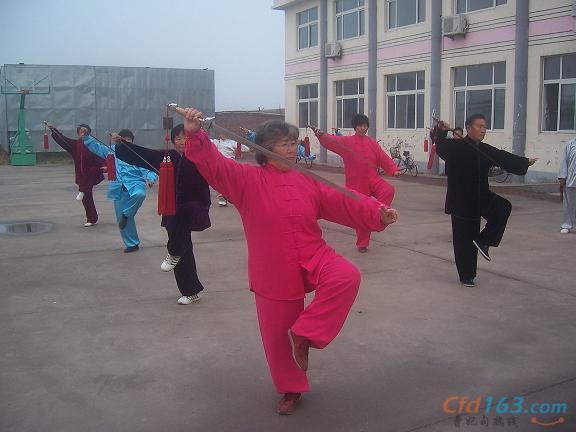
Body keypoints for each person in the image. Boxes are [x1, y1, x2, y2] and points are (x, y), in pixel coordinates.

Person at [181, 107, 398, 416]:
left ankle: (305, 333)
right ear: (266, 148)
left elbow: (344, 199)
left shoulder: (307, 180)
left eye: (294, 143)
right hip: (273, 265)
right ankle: (291, 388)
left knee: (346, 276)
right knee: (276, 335)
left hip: (313, 252)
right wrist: (194, 134)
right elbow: (213, 165)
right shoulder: (245, 179)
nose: (292, 148)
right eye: (284, 143)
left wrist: (377, 212)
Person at [434, 114, 538, 287]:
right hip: (461, 201)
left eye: (485, 127)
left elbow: (503, 157)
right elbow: (440, 146)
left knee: (503, 207)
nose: (483, 130)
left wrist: (524, 162)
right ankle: (467, 276)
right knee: (464, 239)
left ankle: (484, 241)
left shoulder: (485, 149)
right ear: (468, 128)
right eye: (479, 126)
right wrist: (440, 130)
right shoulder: (455, 147)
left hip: (481, 196)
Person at [312, 114, 400, 253]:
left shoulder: (372, 143)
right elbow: (333, 141)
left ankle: (379, 214)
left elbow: (382, 157)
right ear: (355, 127)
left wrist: (393, 169)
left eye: (365, 125)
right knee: (361, 213)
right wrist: (321, 135)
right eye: (360, 125)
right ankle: (362, 243)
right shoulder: (347, 142)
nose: (363, 128)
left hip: (373, 179)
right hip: (356, 183)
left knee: (388, 189)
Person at [83, 129, 158, 253]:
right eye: (124, 140)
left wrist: (151, 179)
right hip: (118, 187)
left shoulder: (136, 153)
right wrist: (87, 137)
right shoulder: (112, 151)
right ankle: (132, 244)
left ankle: (126, 214)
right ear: (119, 140)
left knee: (140, 195)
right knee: (121, 219)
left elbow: (148, 168)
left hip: (135, 184)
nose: (127, 142)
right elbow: (96, 147)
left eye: (129, 140)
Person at [47, 123, 105, 227]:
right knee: (87, 197)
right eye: (80, 131)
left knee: (86, 191)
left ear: (89, 133)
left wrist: (105, 166)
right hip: (82, 173)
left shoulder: (93, 144)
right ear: (78, 133)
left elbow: (100, 155)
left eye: (85, 131)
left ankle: (83, 192)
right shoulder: (76, 145)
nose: (82, 133)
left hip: (93, 171)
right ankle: (92, 218)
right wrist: (53, 130)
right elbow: (63, 140)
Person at [559, 137, 576, 234]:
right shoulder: (570, 144)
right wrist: (562, 176)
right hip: (571, 179)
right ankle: (566, 225)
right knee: (569, 204)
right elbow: (564, 161)